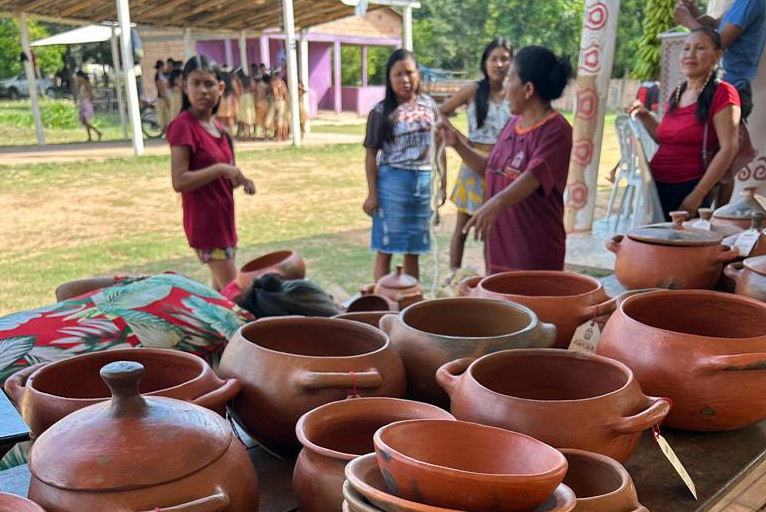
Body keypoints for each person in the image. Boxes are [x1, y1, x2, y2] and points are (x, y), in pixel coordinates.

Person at [438, 46, 573, 273]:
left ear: (528, 89)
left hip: (533, 256)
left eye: (511, 80)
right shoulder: (512, 125)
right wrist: (456, 144)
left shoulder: (556, 129)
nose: (506, 88)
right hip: (499, 252)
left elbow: (533, 176)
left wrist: (495, 203)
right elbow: (489, 168)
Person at [166, 55, 256, 291]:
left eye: (209, 84)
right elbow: (179, 181)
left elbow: (227, 173)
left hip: (224, 220)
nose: (203, 90)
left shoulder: (219, 128)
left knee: (220, 296)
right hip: (206, 225)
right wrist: (220, 169)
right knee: (236, 294)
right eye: (196, 83)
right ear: (185, 87)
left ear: (221, 87)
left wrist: (241, 179)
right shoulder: (183, 126)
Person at [631, 28, 741, 219]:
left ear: (717, 55)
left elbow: (729, 148)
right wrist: (644, 115)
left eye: (699, 48)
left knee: (680, 247)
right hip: (656, 187)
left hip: (689, 189)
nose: (690, 54)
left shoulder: (723, 92)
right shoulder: (678, 92)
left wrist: (698, 194)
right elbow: (665, 138)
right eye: (686, 48)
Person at [363, 49, 441, 281]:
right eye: (398, 74)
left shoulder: (430, 107)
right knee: (385, 247)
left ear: (418, 74)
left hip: (422, 186)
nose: (405, 80)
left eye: (409, 73)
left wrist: (441, 185)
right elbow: (370, 156)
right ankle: (381, 302)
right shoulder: (379, 112)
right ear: (389, 77)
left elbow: (440, 147)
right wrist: (372, 194)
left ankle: (411, 303)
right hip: (391, 186)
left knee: (413, 250)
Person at [438, 38, 512, 274]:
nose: (498, 64)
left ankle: (489, 280)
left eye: (504, 58)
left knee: (494, 230)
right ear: (485, 62)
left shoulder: (514, 91)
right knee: (462, 227)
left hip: (502, 166)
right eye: (494, 59)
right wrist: (459, 138)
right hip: (472, 163)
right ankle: (452, 275)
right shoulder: (473, 90)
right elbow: (439, 112)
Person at [674, 0, 765, 121]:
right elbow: (713, 24)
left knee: (724, 137)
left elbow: (717, 43)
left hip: (733, 87)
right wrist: (692, 10)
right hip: (728, 85)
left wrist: (687, 21)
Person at [76, 71, 103, 142]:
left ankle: (96, 133)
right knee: (84, 121)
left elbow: (90, 93)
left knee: (85, 120)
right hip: (82, 103)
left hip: (86, 102)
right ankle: (93, 135)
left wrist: (90, 101)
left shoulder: (86, 84)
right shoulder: (79, 84)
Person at [217, 71, 239, 135]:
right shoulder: (231, 81)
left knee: (221, 120)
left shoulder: (219, 82)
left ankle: (222, 136)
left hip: (221, 100)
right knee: (230, 119)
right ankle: (231, 136)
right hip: (230, 100)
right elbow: (237, 92)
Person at [271, 72, 289, 141]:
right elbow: (286, 93)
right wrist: (287, 103)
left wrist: (275, 103)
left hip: (278, 101)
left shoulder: (275, 83)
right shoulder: (282, 82)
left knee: (278, 120)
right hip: (283, 101)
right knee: (284, 120)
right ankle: (284, 136)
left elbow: (275, 93)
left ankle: (278, 137)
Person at [154, 60, 171, 130]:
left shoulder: (162, 75)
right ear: (161, 67)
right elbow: (161, 89)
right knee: (164, 117)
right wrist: (165, 99)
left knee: (167, 116)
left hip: (166, 97)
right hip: (162, 98)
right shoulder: (157, 76)